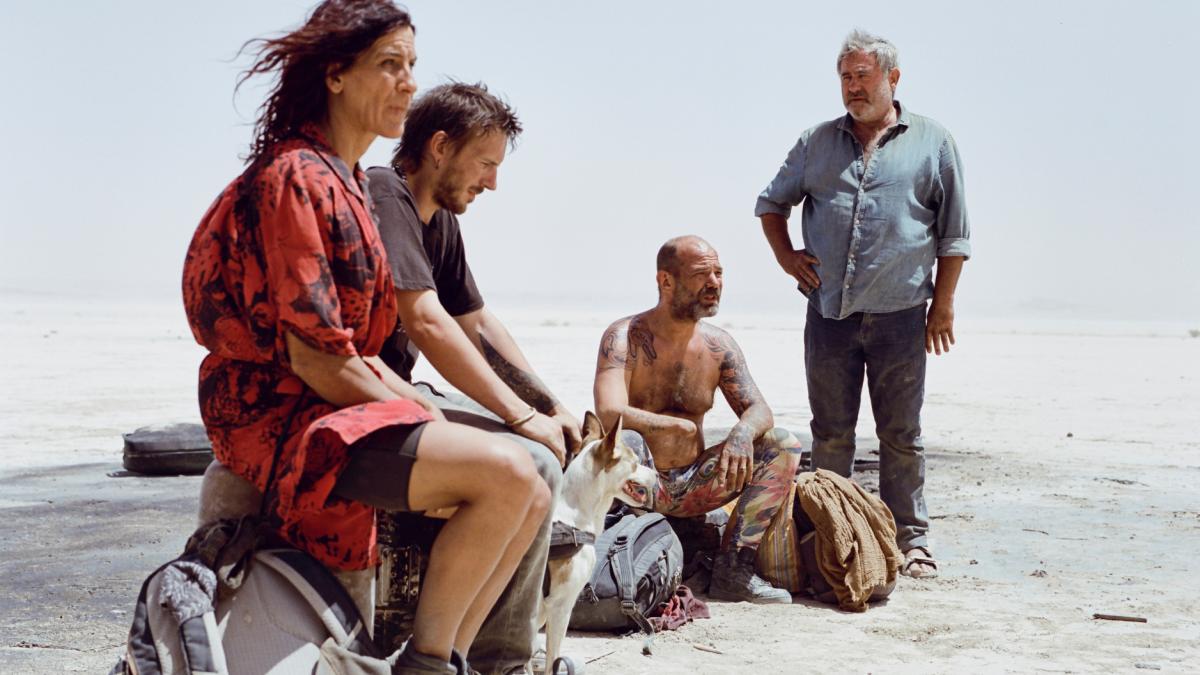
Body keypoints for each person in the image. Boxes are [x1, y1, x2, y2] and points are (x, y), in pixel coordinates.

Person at [181, 3, 549, 673]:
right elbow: (319, 358)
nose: (409, 82)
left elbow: (369, 349)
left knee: (533, 486)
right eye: (389, 64)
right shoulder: (296, 177)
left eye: (411, 65)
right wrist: (420, 409)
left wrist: (422, 404)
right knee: (507, 473)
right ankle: (429, 661)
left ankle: (449, 657)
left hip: (337, 409)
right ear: (336, 76)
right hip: (287, 420)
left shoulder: (345, 180)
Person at [366, 82, 579, 674]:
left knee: (542, 459)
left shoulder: (439, 221)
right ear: (439, 146)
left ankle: (473, 657)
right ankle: (481, 660)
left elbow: (476, 323)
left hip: (405, 396)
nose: (492, 183)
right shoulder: (386, 194)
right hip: (365, 400)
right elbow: (427, 322)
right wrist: (519, 417)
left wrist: (547, 404)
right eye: (485, 164)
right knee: (527, 461)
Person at [755, 29, 971, 578]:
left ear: (892, 78)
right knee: (831, 433)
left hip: (902, 316)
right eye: (845, 78)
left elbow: (954, 234)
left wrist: (942, 307)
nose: (853, 87)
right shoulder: (816, 142)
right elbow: (770, 204)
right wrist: (787, 258)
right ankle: (829, 534)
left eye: (863, 76)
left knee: (902, 434)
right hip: (829, 315)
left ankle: (911, 540)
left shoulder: (933, 142)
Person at [593, 235, 801, 604]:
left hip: (694, 486)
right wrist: (677, 426)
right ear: (666, 281)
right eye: (702, 274)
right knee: (628, 441)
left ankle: (734, 571)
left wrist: (741, 432)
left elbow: (760, 410)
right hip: (639, 484)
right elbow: (609, 412)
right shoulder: (625, 336)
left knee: (781, 443)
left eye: (719, 273)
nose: (715, 283)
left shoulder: (719, 346)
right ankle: (625, 560)